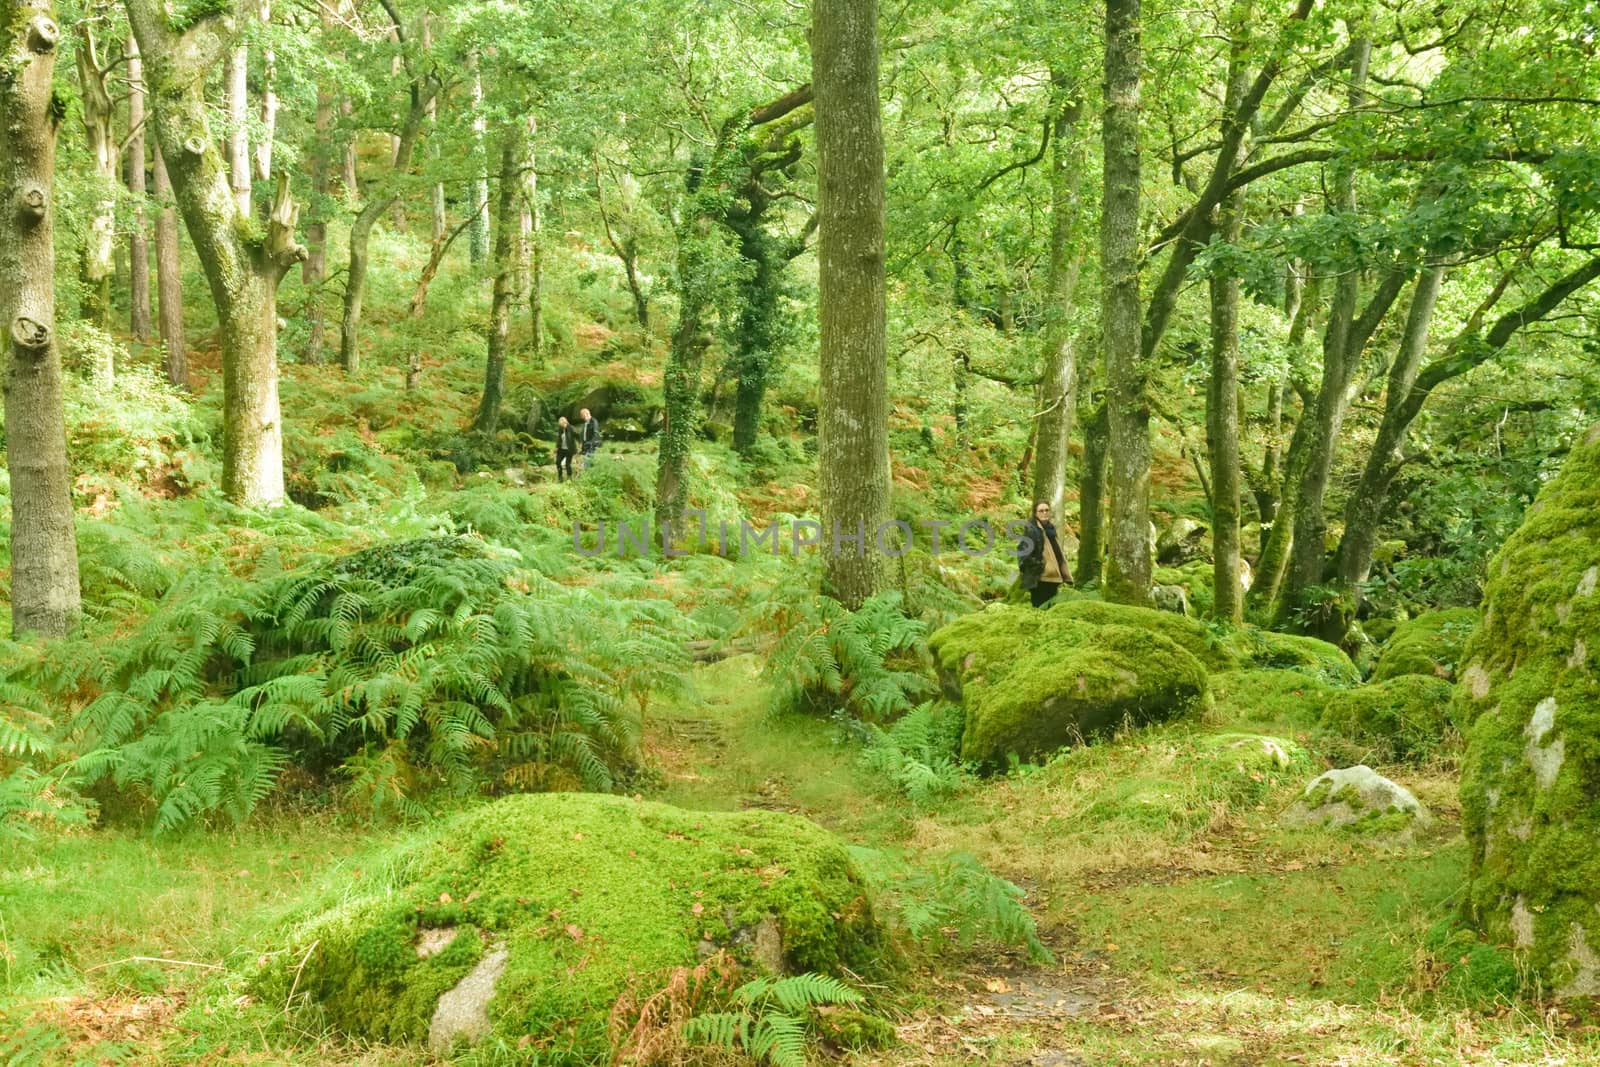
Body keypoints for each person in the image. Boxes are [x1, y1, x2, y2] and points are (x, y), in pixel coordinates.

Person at [1018, 501, 1073, 607]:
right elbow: (1023, 554)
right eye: (1041, 511)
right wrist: (1039, 565)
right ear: (1035, 514)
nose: (1044, 513)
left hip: (1054, 578)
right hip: (1040, 579)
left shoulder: (1050, 529)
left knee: (1051, 608)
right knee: (1040, 608)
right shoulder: (1032, 531)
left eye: (1047, 510)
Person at [578, 407, 602, 473]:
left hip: (592, 445)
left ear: (586, 414)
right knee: (584, 461)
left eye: (582, 416)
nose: (582, 418)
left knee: (587, 462)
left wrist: (591, 443)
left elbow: (595, 434)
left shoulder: (594, 422)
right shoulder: (585, 424)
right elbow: (583, 435)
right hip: (586, 445)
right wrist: (581, 444)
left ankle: (585, 476)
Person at [554, 416, 576, 482]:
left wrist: (579, 446)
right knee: (558, 462)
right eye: (561, 424)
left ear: (566, 422)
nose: (563, 425)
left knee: (567, 464)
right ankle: (560, 477)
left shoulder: (571, 428)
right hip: (561, 449)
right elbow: (559, 439)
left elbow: (576, 435)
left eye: (563, 424)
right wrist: (556, 447)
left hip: (569, 450)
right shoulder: (560, 429)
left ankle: (569, 477)